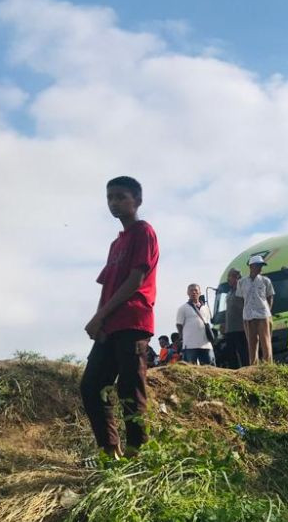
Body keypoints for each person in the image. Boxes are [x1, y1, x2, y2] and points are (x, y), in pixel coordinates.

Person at [80, 176, 159, 460]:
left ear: (136, 201)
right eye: (110, 197)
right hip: (111, 324)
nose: (114, 202)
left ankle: (138, 455)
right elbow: (109, 287)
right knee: (92, 386)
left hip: (133, 321)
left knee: (129, 389)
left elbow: (135, 281)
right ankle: (110, 450)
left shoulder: (143, 232)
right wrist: (99, 321)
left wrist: (100, 316)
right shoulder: (117, 244)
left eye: (120, 197)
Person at [237, 255, 275, 364]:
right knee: (252, 342)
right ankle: (253, 366)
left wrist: (268, 311)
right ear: (251, 266)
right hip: (248, 315)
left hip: (263, 314)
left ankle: (268, 365)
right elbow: (240, 299)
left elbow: (270, 297)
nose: (260, 268)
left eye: (261, 266)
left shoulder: (265, 280)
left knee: (265, 341)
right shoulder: (242, 282)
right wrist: (244, 310)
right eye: (258, 265)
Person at [176, 284, 215, 365]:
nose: (194, 292)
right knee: (191, 368)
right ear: (187, 293)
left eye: (196, 290)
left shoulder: (206, 308)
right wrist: (183, 338)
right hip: (190, 344)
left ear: (200, 292)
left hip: (205, 344)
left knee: (209, 367)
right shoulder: (183, 308)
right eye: (191, 290)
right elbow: (179, 325)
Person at [222, 268, 248, 368]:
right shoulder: (228, 293)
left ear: (237, 278)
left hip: (241, 328)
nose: (228, 279)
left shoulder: (243, 291)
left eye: (231, 276)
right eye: (228, 276)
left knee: (244, 353)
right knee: (231, 354)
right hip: (230, 330)